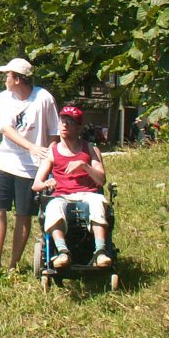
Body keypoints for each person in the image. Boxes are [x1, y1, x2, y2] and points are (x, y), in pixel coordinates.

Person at [0, 58, 59, 272]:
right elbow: (7, 129)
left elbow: (54, 132)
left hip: (32, 168)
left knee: (23, 214)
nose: (4, 79)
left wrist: (48, 159)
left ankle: (13, 266)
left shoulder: (44, 98)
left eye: (7, 75)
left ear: (17, 79)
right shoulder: (3, 98)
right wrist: (31, 146)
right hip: (5, 162)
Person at [32, 105, 112, 268]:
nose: (65, 125)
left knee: (98, 203)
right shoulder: (52, 152)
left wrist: (85, 166)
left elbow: (101, 180)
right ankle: (62, 252)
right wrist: (46, 183)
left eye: (70, 121)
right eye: (63, 121)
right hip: (61, 195)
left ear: (78, 127)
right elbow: (36, 184)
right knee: (53, 206)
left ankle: (100, 252)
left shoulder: (91, 149)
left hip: (88, 193)